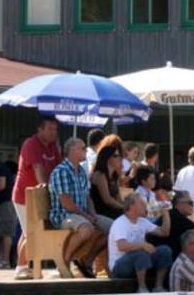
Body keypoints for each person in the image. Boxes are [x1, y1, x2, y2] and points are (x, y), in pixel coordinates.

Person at [48, 137, 111, 278]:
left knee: (113, 229)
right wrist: (87, 216)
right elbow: (66, 203)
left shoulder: (81, 171)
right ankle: (65, 260)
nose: (86, 150)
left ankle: (87, 260)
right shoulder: (61, 171)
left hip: (81, 214)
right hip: (63, 215)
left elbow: (88, 197)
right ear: (72, 150)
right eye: (83, 148)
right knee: (86, 228)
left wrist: (93, 214)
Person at [12, 115, 61, 279]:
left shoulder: (54, 146)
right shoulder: (30, 144)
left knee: (28, 232)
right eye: (50, 129)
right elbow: (39, 173)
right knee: (31, 233)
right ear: (39, 129)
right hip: (24, 196)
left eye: (55, 129)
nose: (53, 132)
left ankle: (23, 266)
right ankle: (21, 267)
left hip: (41, 196)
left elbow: (58, 169)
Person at [108, 193, 172, 293]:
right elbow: (122, 246)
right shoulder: (120, 223)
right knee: (141, 253)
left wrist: (166, 213)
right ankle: (142, 287)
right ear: (132, 206)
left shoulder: (142, 221)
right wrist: (142, 245)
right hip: (119, 267)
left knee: (164, 250)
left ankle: (158, 286)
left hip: (138, 263)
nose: (145, 205)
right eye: (142, 203)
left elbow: (164, 232)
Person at [90, 144, 126, 222]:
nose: (120, 158)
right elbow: (107, 200)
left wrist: (125, 206)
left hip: (112, 210)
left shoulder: (114, 176)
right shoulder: (100, 175)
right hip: (102, 212)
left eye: (119, 155)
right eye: (116, 155)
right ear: (107, 158)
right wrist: (123, 207)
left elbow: (118, 197)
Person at [166, 191, 194, 260]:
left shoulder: (169, 215)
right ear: (179, 204)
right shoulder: (177, 218)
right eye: (190, 203)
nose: (192, 206)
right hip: (174, 259)